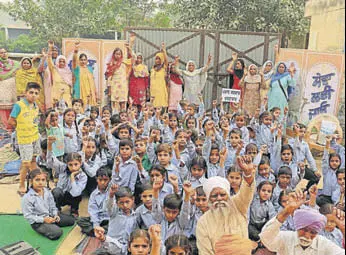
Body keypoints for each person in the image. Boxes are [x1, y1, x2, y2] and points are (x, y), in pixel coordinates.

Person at [196, 156, 256, 255]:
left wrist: (248, 174)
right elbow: (205, 252)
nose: (219, 198)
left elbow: (247, 192)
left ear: (228, 195)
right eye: (214, 196)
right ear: (209, 199)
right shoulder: (203, 223)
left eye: (223, 195)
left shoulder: (238, 206)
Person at [259, 190, 345, 254]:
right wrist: (287, 211)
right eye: (304, 230)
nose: (307, 236)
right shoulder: (286, 238)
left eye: (313, 232)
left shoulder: (322, 243)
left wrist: (344, 230)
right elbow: (265, 238)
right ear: (298, 226)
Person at [8, 82, 42, 196]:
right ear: (25, 93)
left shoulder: (36, 106)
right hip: (24, 139)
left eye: (36, 93)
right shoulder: (19, 105)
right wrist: (21, 128)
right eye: (31, 92)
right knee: (26, 163)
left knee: (33, 161)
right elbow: (11, 121)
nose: (33, 95)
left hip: (35, 137)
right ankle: (25, 183)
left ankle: (34, 183)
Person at [21, 169, 75, 240]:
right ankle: (47, 227)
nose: (40, 183)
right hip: (38, 222)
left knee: (71, 221)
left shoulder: (47, 191)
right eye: (37, 180)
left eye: (43, 180)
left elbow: (53, 206)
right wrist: (44, 220)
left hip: (50, 216)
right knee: (57, 233)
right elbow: (28, 216)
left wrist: (55, 215)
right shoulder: (27, 197)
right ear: (31, 181)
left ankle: (52, 224)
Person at [105, 46, 132, 113]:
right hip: (114, 86)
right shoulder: (111, 64)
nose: (118, 55)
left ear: (121, 55)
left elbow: (131, 59)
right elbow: (109, 78)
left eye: (119, 54)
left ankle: (123, 117)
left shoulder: (124, 63)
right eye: (116, 54)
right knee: (115, 104)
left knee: (123, 103)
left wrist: (129, 49)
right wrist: (109, 89)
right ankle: (115, 118)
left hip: (123, 86)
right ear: (114, 54)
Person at [46, 41, 72, 108]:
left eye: (63, 61)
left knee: (67, 110)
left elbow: (71, 85)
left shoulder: (68, 72)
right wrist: (50, 48)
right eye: (60, 61)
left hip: (66, 94)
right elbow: (49, 60)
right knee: (57, 111)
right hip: (56, 93)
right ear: (57, 62)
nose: (62, 63)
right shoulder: (54, 69)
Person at [72, 41, 97, 106]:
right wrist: (75, 51)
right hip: (79, 91)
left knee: (89, 108)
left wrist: (95, 92)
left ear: (87, 61)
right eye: (81, 60)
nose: (83, 61)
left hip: (89, 92)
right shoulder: (77, 69)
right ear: (79, 60)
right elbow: (74, 61)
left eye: (84, 60)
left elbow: (92, 81)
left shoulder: (90, 69)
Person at [0, 48, 19, 127]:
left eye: (5, 52)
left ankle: (13, 127)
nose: (4, 54)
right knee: (3, 109)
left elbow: (25, 65)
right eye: (1, 53)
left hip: (12, 89)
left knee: (13, 107)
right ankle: (6, 128)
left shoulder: (15, 64)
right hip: (2, 89)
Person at [150, 43, 169, 108]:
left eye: (159, 59)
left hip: (161, 92)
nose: (157, 60)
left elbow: (166, 62)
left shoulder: (164, 68)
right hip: (153, 92)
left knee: (161, 107)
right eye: (156, 59)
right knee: (153, 107)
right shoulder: (152, 69)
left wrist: (164, 51)